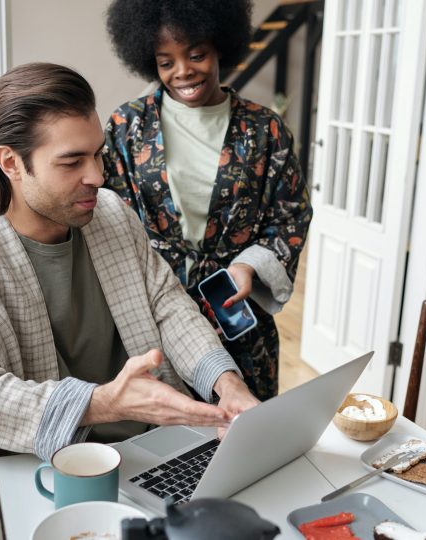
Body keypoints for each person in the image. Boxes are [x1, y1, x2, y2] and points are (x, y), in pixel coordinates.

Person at [0, 62, 258, 465]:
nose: (96, 175)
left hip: (159, 446)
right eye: (72, 162)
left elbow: (167, 307)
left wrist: (226, 383)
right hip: (60, 467)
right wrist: (104, 403)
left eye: (97, 154)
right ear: (10, 163)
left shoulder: (111, 213)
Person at [103, 0, 313, 400]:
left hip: (236, 310)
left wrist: (249, 266)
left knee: (246, 433)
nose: (182, 72)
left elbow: (291, 216)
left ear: (220, 46)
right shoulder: (127, 126)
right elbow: (108, 215)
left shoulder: (265, 129)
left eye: (196, 55)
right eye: (166, 62)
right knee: (167, 439)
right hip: (156, 313)